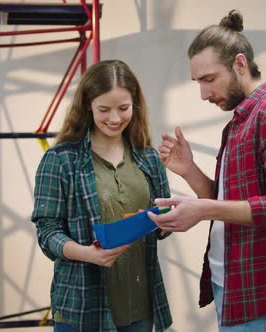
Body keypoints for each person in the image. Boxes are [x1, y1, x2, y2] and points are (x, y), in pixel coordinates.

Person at [147, 10, 266, 332]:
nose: (203, 93)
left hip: (256, 286)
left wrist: (203, 210)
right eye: (198, 82)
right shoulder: (240, 120)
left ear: (240, 64)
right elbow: (226, 201)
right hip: (231, 281)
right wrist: (189, 170)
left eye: (209, 79)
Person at [31, 60, 172, 332]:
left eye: (124, 108)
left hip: (140, 303)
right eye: (104, 109)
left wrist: (172, 217)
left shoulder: (149, 158)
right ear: (87, 106)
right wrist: (86, 253)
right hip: (84, 306)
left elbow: (161, 226)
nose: (115, 118)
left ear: (135, 105)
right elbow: (47, 233)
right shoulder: (61, 160)